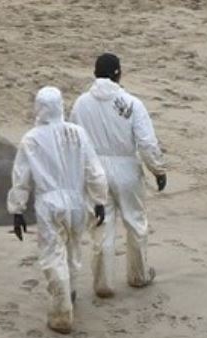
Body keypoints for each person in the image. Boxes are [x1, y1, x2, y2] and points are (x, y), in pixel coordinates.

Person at [9, 87, 110, 334]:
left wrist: (17, 210)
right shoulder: (77, 134)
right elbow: (94, 170)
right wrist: (99, 200)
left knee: (53, 255)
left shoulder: (31, 139)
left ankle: (61, 311)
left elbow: (21, 177)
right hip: (76, 200)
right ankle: (71, 293)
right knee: (73, 250)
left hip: (49, 202)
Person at [71, 54, 167, 298]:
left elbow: (74, 142)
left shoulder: (81, 104)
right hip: (126, 168)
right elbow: (146, 143)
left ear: (95, 74)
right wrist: (157, 169)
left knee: (102, 226)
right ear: (118, 73)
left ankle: (103, 283)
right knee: (135, 222)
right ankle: (138, 274)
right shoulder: (132, 103)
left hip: (95, 170)